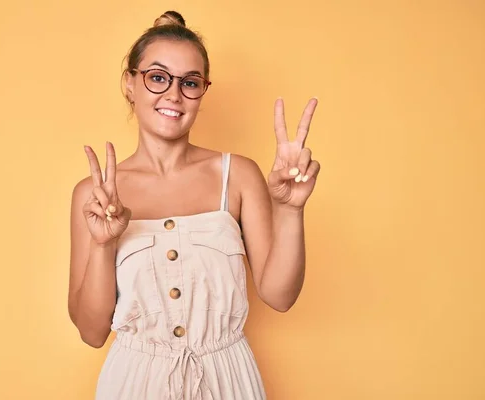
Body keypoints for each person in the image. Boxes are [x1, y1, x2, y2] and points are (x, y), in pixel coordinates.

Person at [68, 10, 321, 400]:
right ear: (130, 84)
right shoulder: (95, 192)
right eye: (157, 78)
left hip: (228, 380)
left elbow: (280, 296)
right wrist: (103, 244)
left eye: (190, 83)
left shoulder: (237, 175)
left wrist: (290, 210)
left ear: (203, 91)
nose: (173, 94)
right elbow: (91, 332)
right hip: (135, 384)